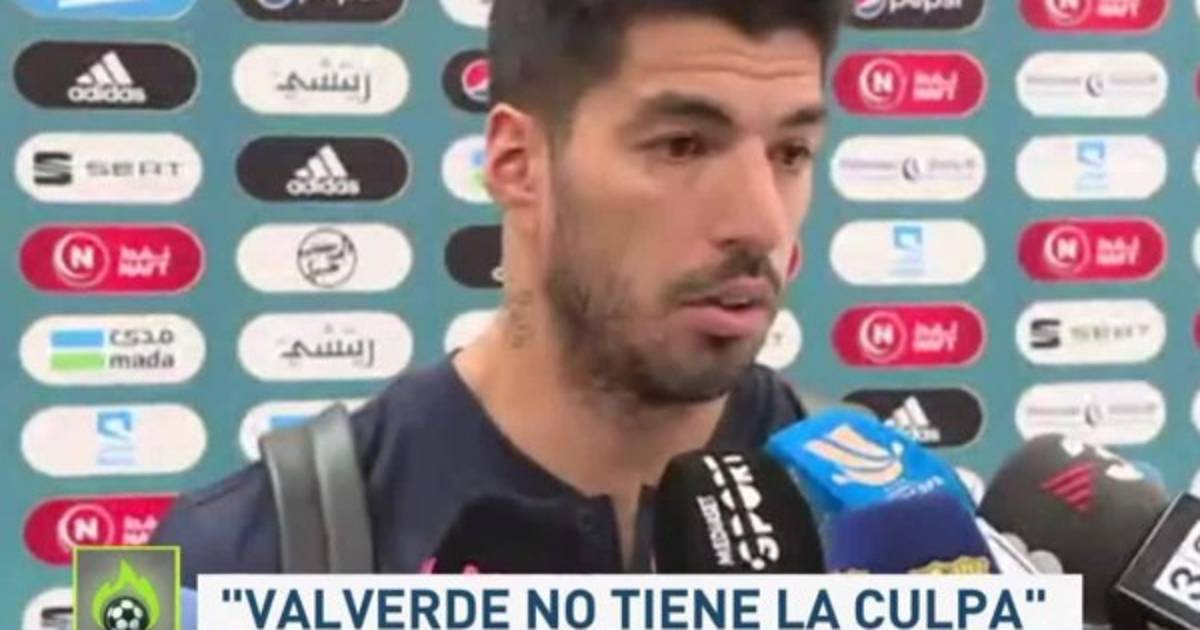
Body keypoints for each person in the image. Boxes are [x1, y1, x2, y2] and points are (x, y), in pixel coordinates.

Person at [152, 0, 843, 583]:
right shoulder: (218, 560)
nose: (762, 224)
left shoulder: (880, 528)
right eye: (683, 146)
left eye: (790, 153)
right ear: (517, 164)